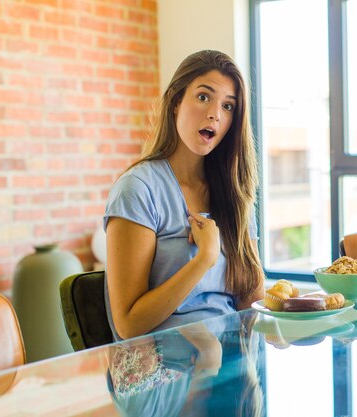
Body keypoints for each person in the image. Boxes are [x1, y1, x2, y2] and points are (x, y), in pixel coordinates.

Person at [103, 50, 265, 340]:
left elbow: (250, 300)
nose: (215, 113)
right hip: (166, 368)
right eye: (204, 97)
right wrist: (204, 258)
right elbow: (128, 324)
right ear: (176, 102)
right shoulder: (138, 189)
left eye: (228, 106)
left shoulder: (235, 193)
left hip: (230, 357)